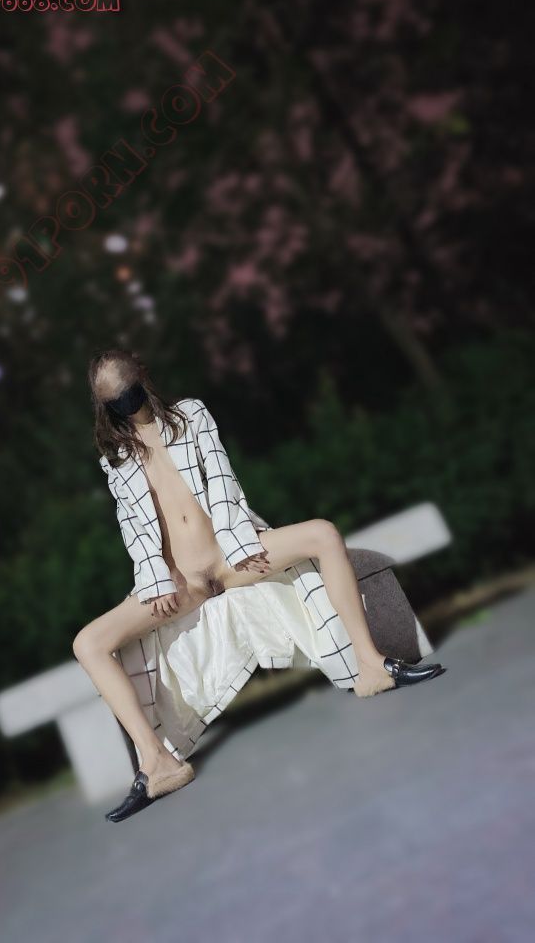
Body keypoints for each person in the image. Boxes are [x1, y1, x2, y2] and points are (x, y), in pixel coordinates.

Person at [73, 348, 445, 821]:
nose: (125, 405)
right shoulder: (118, 458)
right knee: (88, 643)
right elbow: (136, 531)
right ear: (103, 405)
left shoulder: (190, 416)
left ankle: (371, 667)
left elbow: (222, 480)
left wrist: (240, 541)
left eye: (127, 393)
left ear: (141, 376)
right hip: (179, 583)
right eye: (114, 401)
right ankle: (157, 761)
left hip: (231, 556)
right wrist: (156, 581)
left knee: (323, 534)